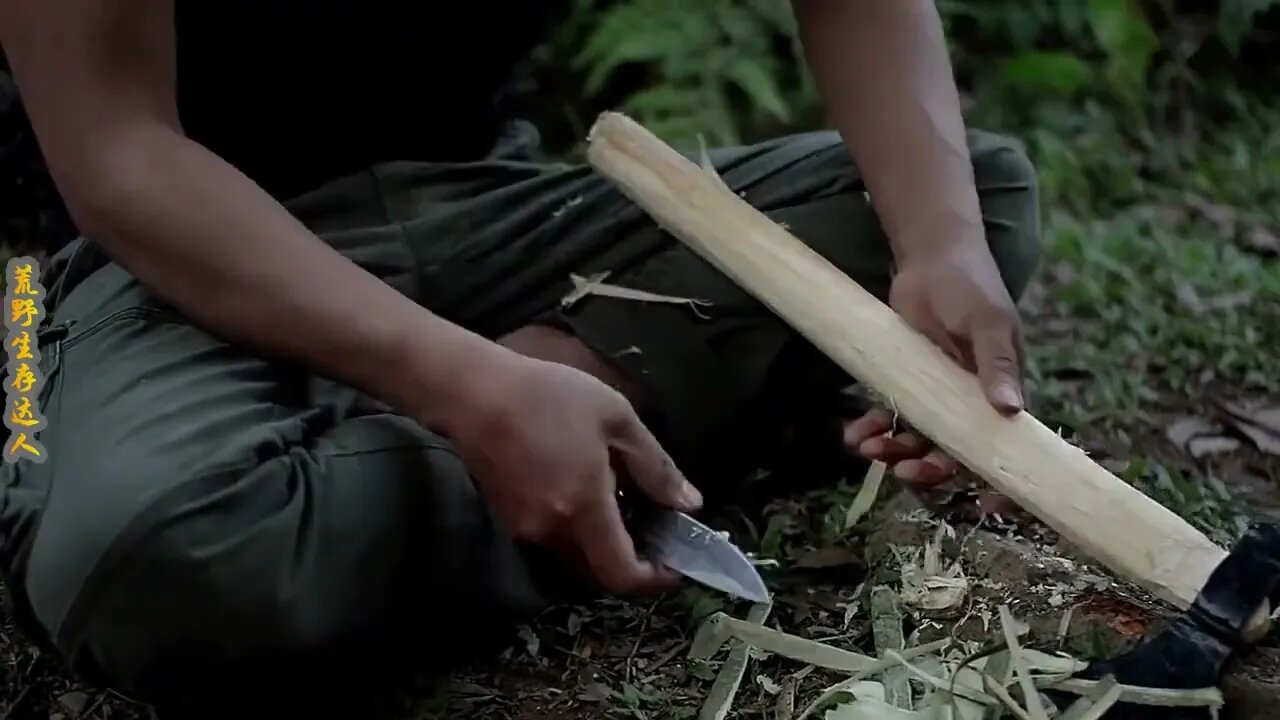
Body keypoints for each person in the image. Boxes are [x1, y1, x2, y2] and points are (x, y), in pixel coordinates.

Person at [0, 0, 1040, 713]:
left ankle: (483, 449)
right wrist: (463, 383)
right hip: (155, 256)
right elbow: (117, 151)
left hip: (484, 209)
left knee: (969, 196)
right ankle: (609, 429)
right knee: (154, 553)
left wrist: (936, 239)